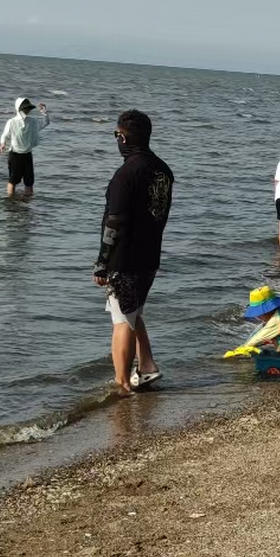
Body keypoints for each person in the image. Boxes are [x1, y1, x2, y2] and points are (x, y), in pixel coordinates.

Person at [94, 109, 173, 394]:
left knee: (122, 321)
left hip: (125, 258)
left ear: (123, 138)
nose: (116, 141)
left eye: (116, 136)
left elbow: (114, 220)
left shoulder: (125, 175)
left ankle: (122, 383)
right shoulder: (164, 170)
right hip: (150, 254)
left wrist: (102, 263)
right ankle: (148, 366)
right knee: (134, 312)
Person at [0, 97, 49, 197]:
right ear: (18, 109)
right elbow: (5, 135)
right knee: (13, 180)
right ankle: (11, 200)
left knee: (29, 182)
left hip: (27, 154)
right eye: (24, 108)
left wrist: (44, 112)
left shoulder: (32, 122)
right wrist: (2, 144)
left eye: (28, 108)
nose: (27, 110)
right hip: (15, 154)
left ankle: (27, 203)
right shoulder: (12, 122)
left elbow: (45, 122)